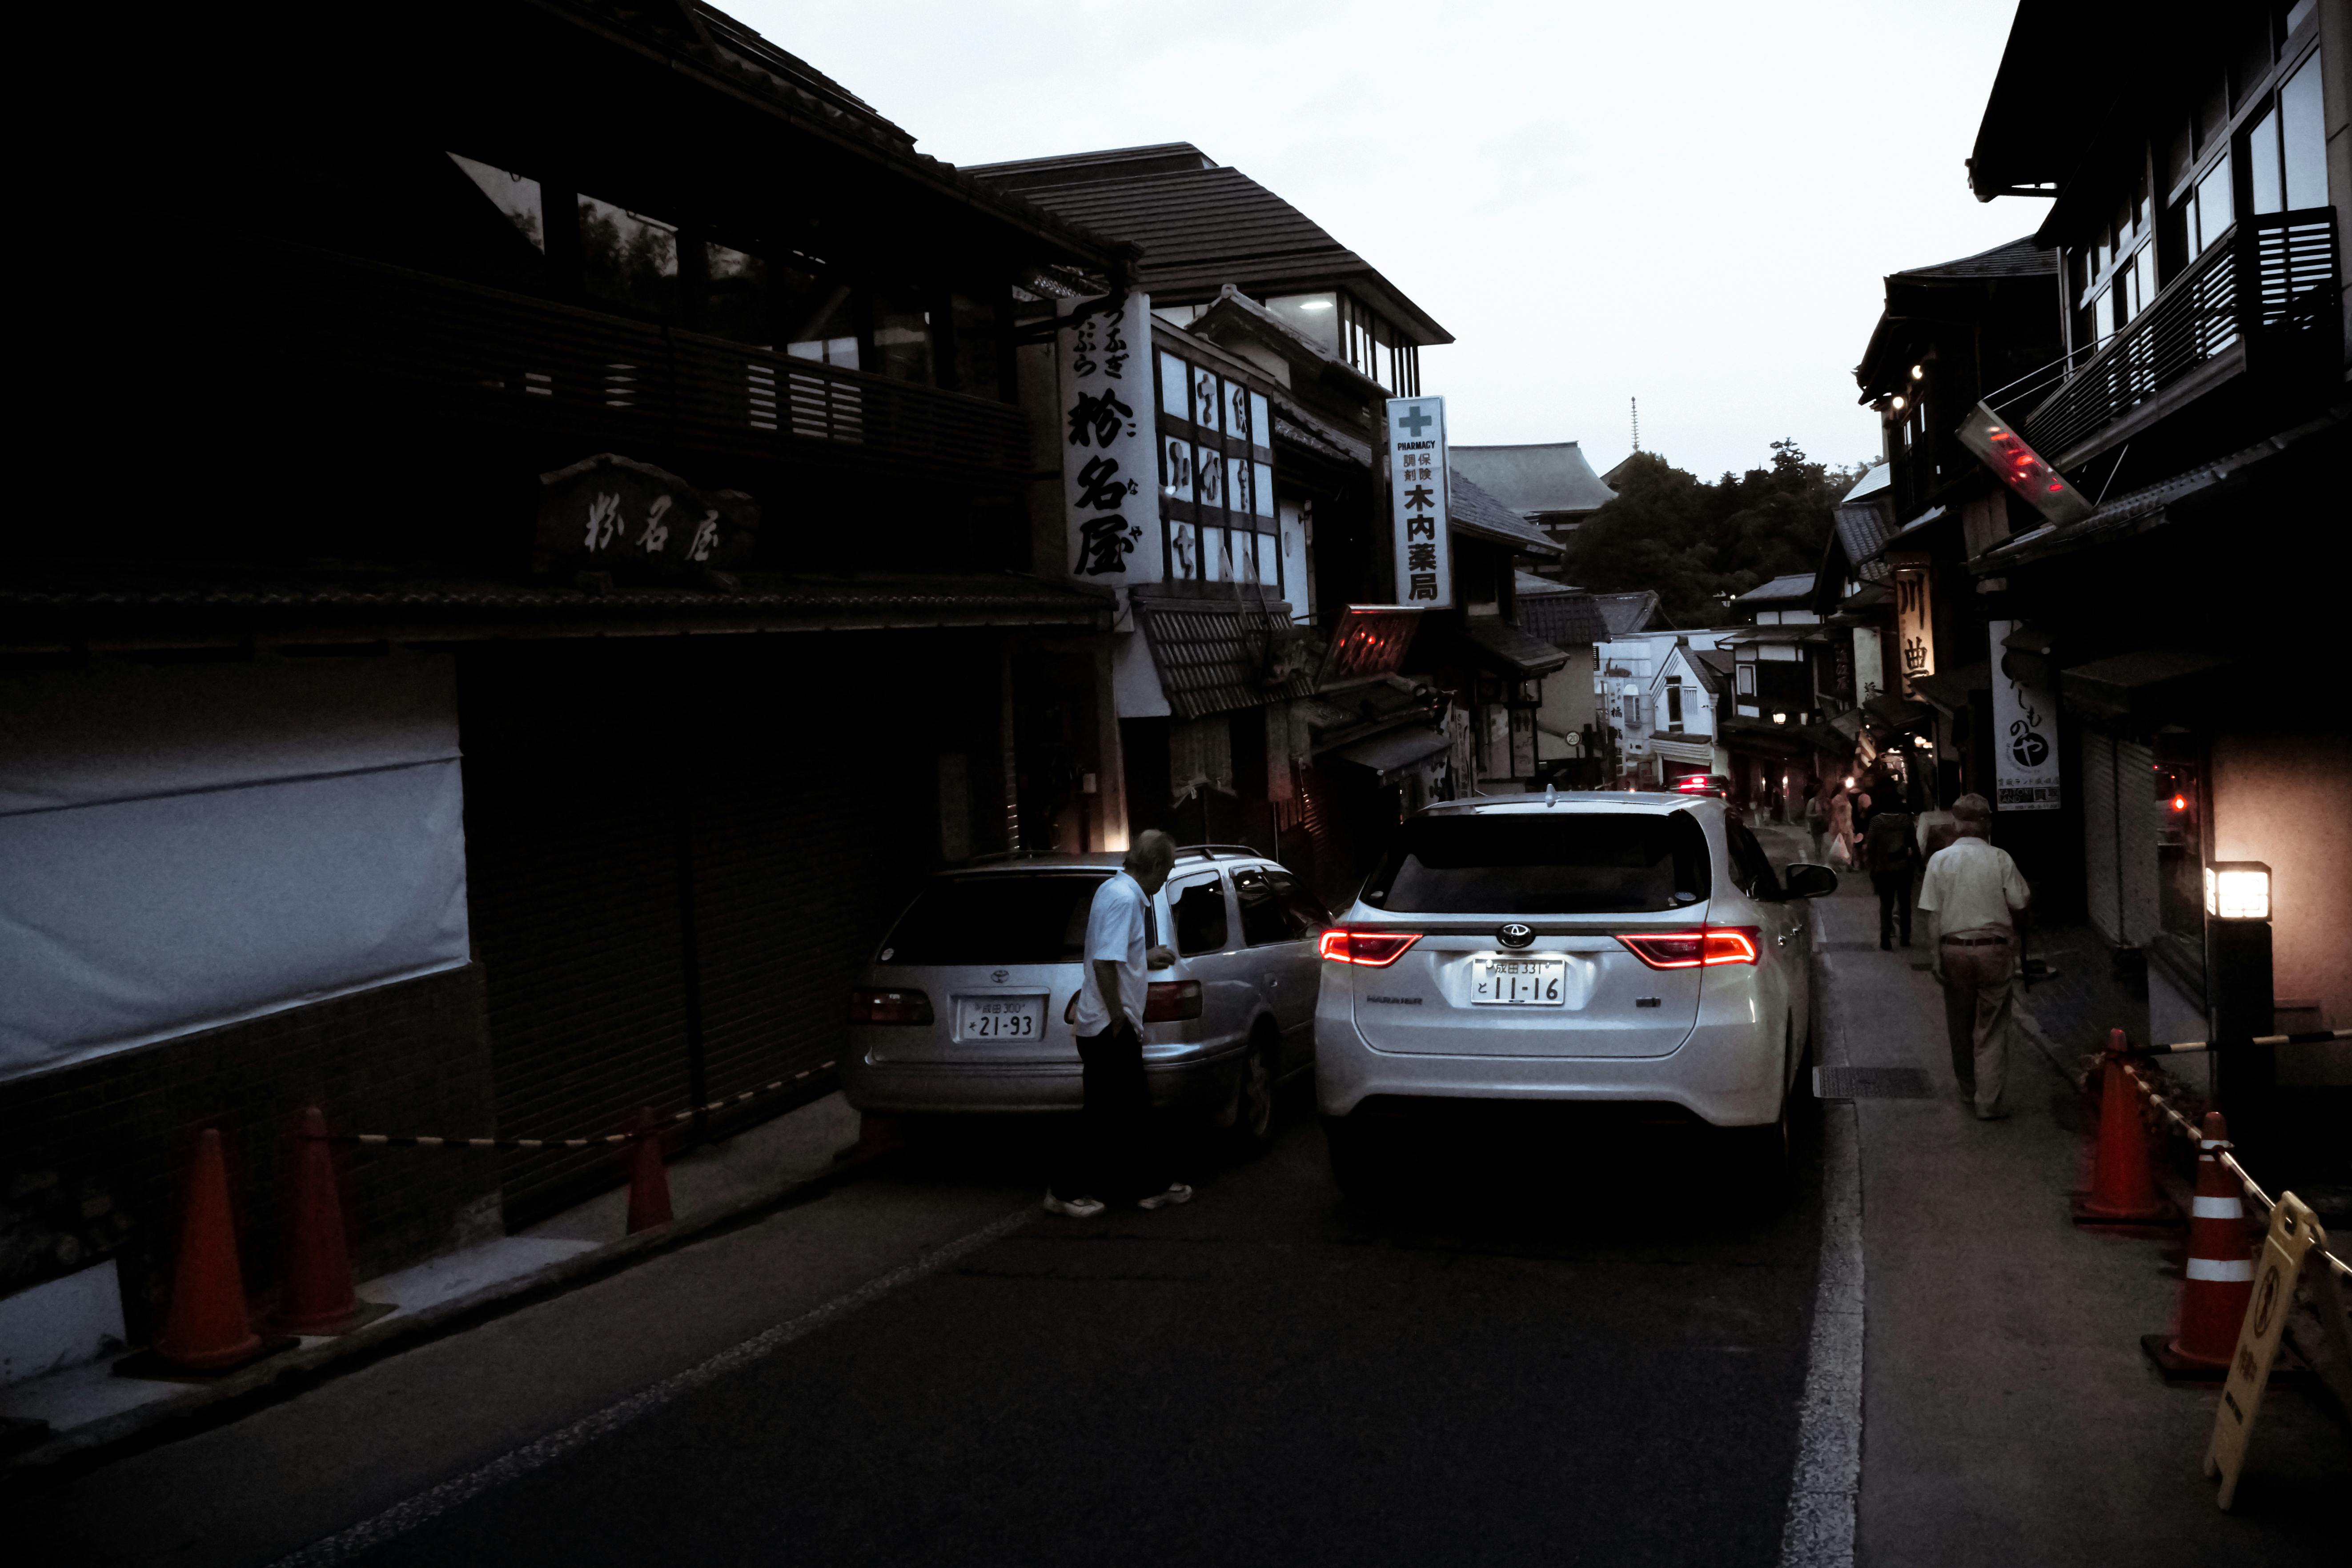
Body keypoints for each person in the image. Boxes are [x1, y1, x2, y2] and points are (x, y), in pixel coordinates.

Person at [1045, 830, 1192, 1217]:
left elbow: (1113, 953)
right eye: (1169, 868)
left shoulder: (1113, 890)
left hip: (1105, 1023)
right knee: (1107, 1110)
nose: (1167, 879)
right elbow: (1104, 963)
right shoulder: (1125, 899)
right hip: (1109, 1025)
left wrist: (1144, 957)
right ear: (1157, 865)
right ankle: (1065, 1189)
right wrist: (1118, 1019)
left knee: (1130, 1108)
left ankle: (1152, 1185)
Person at [1916, 794, 2031, 1120]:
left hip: (1954, 950)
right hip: (1994, 949)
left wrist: (1935, 956)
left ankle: (1968, 1089)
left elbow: (1933, 916)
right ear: (1986, 824)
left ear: (1956, 824)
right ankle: (1989, 1102)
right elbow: (2021, 902)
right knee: (1992, 1027)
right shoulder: (2000, 859)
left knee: (1960, 1022)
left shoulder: (1939, 860)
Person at [1862, 799, 1919, 950]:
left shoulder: (1876, 822)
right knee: (1905, 903)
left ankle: (1885, 938)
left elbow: (1871, 845)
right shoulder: (1906, 821)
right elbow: (1913, 843)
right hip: (1903, 867)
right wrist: (1918, 862)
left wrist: (1871, 865)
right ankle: (1905, 936)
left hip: (1883, 867)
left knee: (1886, 904)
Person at [1827, 785, 1856, 867]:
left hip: (1848, 826)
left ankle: (1849, 865)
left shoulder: (1846, 798)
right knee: (1839, 847)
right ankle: (1835, 866)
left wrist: (1852, 825)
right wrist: (1839, 826)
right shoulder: (1837, 799)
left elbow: (1849, 814)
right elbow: (1836, 814)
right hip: (1839, 826)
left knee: (1850, 846)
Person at [1803, 782, 1828, 860]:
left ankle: (1821, 859)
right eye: (1821, 792)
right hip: (1815, 825)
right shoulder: (1812, 802)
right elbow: (1807, 815)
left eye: (1823, 792)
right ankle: (1819, 861)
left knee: (1822, 843)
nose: (1822, 794)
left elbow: (1828, 811)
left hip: (1823, 824)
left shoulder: (1824, 801)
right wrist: (1816, 816)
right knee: (1818, 844)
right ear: (1817, 792)